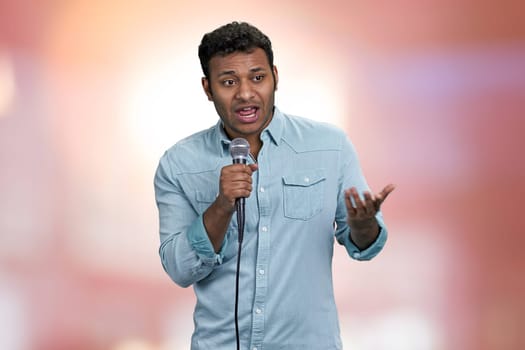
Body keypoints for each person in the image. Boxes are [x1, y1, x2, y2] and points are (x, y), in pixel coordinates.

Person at [154, 21, 395, 350]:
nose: (245, 93)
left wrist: (363, 225)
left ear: (275, 77)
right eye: (228, 82)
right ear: (207, 88)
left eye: (257, 77)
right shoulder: (178, 164)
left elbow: (364, 246)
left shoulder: (329, 145)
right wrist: (222, 205)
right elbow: (180, 269)